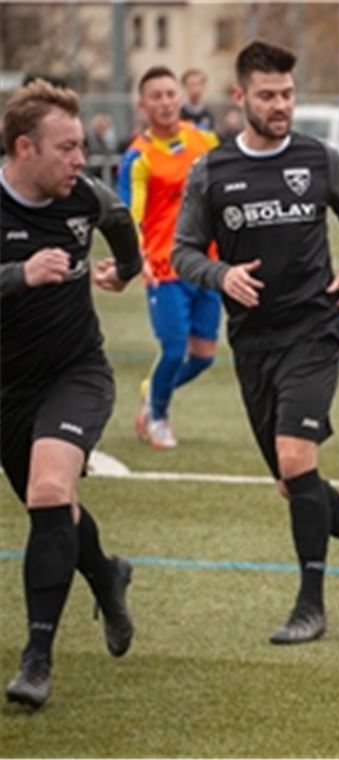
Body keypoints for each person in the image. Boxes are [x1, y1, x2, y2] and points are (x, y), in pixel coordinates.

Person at [172, 40, 339, 645]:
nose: (281, 105)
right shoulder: (212, 171)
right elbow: (183, 251)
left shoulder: (319, 158)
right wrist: (220, 274)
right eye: (268, 95)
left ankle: (310, 606)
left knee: (296, 460)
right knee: (292, 481)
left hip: (314, 328)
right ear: (240, 96)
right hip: (253, 341)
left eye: (288, 94)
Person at [1, 79, 142, 710]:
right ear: (23, 148)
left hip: (76, 372)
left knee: (50, 491)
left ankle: (37, 657)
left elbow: (120, 220)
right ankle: (108, 577)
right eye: (66, 149)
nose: (80, 160)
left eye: (82, 146)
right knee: (54, 512)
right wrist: (19, 275)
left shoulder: (84, 195)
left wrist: (127, 270)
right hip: (8, 388)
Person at [118, 66, 222, 450]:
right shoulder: (138, 157)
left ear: (180, 98)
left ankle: (153, 391)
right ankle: (158, 417)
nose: (165, 102)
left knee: (204, 356)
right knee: (175, 350)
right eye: (156, 96)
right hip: (164, 268)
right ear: (142, 105)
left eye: (170, 94)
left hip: (207, 264)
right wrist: (137, 257)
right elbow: (130, 217)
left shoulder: (205, 140)